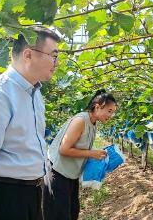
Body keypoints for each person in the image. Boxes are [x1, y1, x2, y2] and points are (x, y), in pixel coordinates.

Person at [0, 27, 60, 220]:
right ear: (28, 55)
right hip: (5, 196)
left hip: (32, 193)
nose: (56, 63)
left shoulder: (35, 94)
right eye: (53, 56)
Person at [42, 90, 117, 220]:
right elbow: (63, 149)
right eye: (109, 111)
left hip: (70, 174)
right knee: (59, 214)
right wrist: (91, 153)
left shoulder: (93, 123)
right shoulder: (80, 120)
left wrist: (96, 154)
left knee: (72, 212)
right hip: (57, 172)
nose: (111, 115)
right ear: (98, 106)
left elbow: (81, 146)